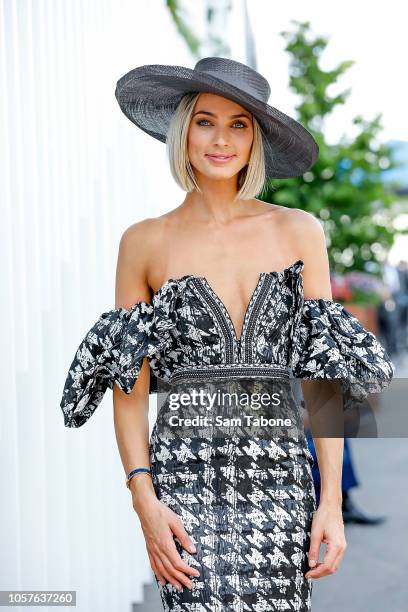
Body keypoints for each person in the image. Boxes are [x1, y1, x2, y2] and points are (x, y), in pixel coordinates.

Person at [59, 57, 394, 611]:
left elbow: (323, 380)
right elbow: (129, 390)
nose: (221, 139)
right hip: (184, 479)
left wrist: (330, 501)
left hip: (280, 476)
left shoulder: (299, 231)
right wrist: (144, 499)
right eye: (205, 120)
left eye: (239, 124)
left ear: (256, 139)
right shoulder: (143, 241)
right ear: (183, 130)